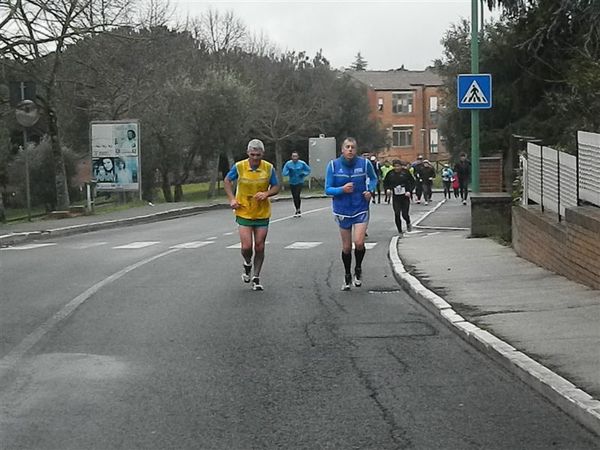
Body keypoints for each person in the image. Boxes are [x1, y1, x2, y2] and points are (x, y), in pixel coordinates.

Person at [224, 139, 280, 291]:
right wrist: (232, 199)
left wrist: (267, 193)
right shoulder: (240, 166)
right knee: (247, 246)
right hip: (244, 211)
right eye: (253, 154)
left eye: (258, 155)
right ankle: (247, 263)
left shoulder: (268, 167)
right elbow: (227, 180)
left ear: (262, 154)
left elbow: (276, 186)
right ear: (248, 153)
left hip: (262, 212)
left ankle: (256, 277)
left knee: (260, 246)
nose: (255, 158)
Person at [325, 137, 377, 291]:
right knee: (347, 247)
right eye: (347, 147)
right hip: (342, 209)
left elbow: (373, 179)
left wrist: (370, 191)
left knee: (359, 242)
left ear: (356, 149)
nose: (350, 150)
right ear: (342, 150)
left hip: (360, 207)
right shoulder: (333, 166)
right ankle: (347, 274)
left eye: (352, 147)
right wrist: (341, 189)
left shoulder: (364, 163)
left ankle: (358, 269)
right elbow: (328, 189)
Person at [383, 160, 415, 237]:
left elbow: (412, 182)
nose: (397, 168)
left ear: (401, 166)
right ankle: (400, 231)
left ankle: (408, 222)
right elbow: (385, 183)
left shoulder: (406, 172)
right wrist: (387, 189)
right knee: (397, 213)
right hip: (396, 196)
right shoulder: (390, 174)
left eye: (398, 166)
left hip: (405, 196)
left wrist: (409, 191)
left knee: (405, 214)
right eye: (395, 166)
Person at [282, 151, 311, 217]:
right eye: (293, 156)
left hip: (299, 181)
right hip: (292, 182)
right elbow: (284, 172)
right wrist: (288, 172)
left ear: (298, 157)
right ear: (291, 157)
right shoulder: (288, 164)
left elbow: (308, 170)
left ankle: (298, 209)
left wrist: (303, 174)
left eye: (296, 156)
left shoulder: (302, 163)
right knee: (294, 196)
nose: (294, 158)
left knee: (297, 194)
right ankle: (297, 208)